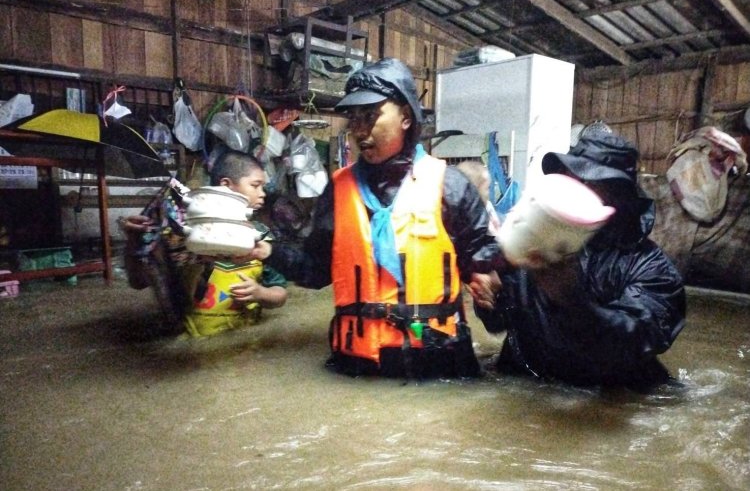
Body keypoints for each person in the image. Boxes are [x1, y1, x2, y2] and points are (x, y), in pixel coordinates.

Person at [268, 57, 502, 379]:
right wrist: (264, 251)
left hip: (438, 366)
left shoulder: (451, 186)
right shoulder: (337, 191)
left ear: (406, 117)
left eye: (370, 115)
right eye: (353, 119)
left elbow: (483, 263)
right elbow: (314, 271)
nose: (359, 131)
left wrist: (490, 287)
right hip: (357, 368)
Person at [474, 128, 686, 391]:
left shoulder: (652, 270)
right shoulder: (534, 241)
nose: (573, 190)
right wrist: (487, 298)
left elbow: (633, 343)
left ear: (619, 195)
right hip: (528, 385)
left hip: (606, 402)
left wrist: (571, 300)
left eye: (588, 182)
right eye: (570, 177)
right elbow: (498, 322)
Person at [121, 148, 288, 337]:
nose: (262, 193)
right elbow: (138, 282)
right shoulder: (182, 235)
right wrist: (135, 242)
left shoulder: (260, 237)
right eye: (255, 185)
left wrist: (260, 294)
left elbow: (280, 294)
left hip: (244, 343)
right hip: (190, 345)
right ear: (226, 185)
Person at [456, 159, 502, 241]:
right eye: (486, 188)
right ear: (474, 190)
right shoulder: (474, 219)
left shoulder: (487, 207)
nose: (489, 193)